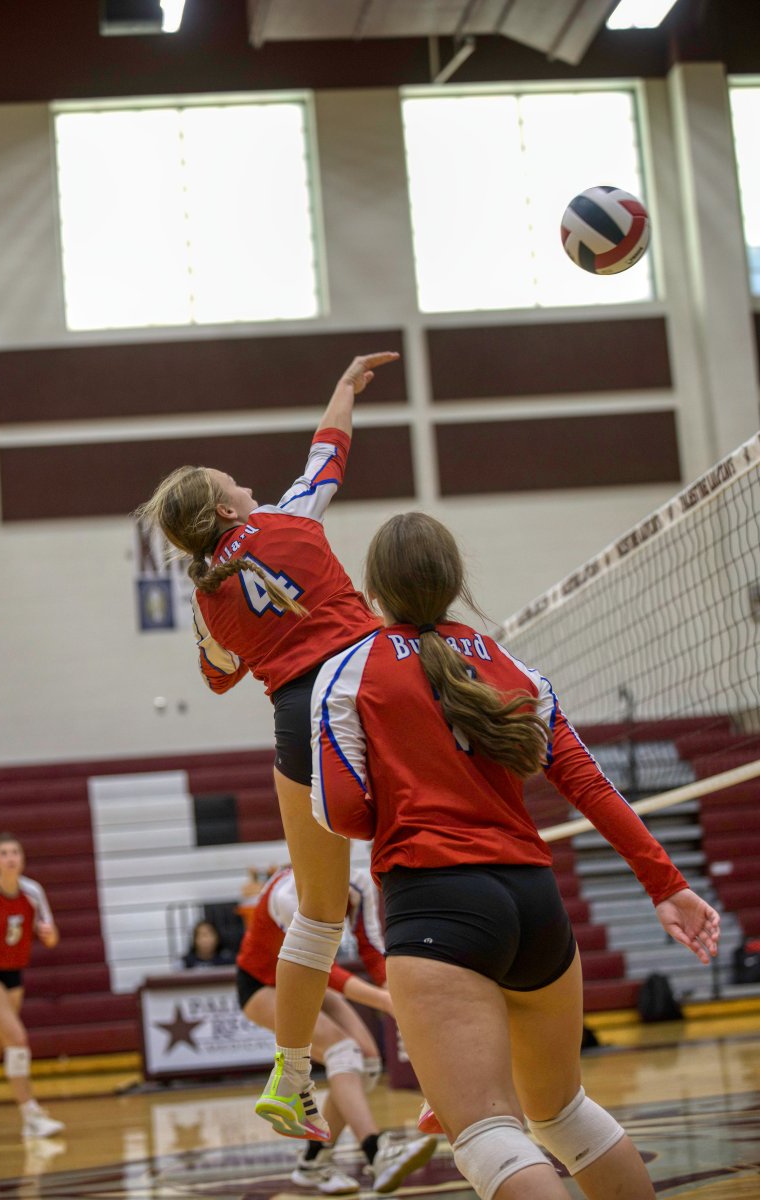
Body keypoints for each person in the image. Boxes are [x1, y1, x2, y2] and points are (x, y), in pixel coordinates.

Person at [282, 511, 721, 1199]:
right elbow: (591, 785)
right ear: (455, 582)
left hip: (436, 905)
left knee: (488, 1135)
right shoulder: (512, 667)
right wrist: (666, 885)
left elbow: (342, 814)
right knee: (565, 1115)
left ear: (374, 591)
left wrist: (404, 793)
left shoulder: (347, 672)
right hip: (535, 905)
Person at [135, 352, 399, 1138]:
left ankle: (289, 1075)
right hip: (367, 689)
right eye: (236, 484)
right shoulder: (288, 518)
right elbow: (328, 454)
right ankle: (444, 1055)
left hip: (296, 719)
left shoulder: (207, 598)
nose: (250, 486)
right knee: (412, 863)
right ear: (226, 509)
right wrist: (343, 389)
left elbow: (218, 678)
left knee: (316, 915)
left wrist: (228, 628)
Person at [236, 865, 436, 1194]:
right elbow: (317, 967)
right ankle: (376, 1151)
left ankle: (314, 1162)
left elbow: (372, 949)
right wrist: (385, 1002)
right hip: (262, 983)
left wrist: (394, 992)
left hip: (310, 975)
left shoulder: (358, 883)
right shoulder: (287, 897)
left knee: (367, 1062)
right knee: (342, 1051)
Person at [0, 834, 65, 1141]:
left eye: (15, 852)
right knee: (17, 1039)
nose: (10, 858)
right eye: (4, 853)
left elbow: (51, 937)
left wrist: (49, 935)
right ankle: (31, 1116)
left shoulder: (33, 892)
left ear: (22, 859)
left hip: (14, 978)